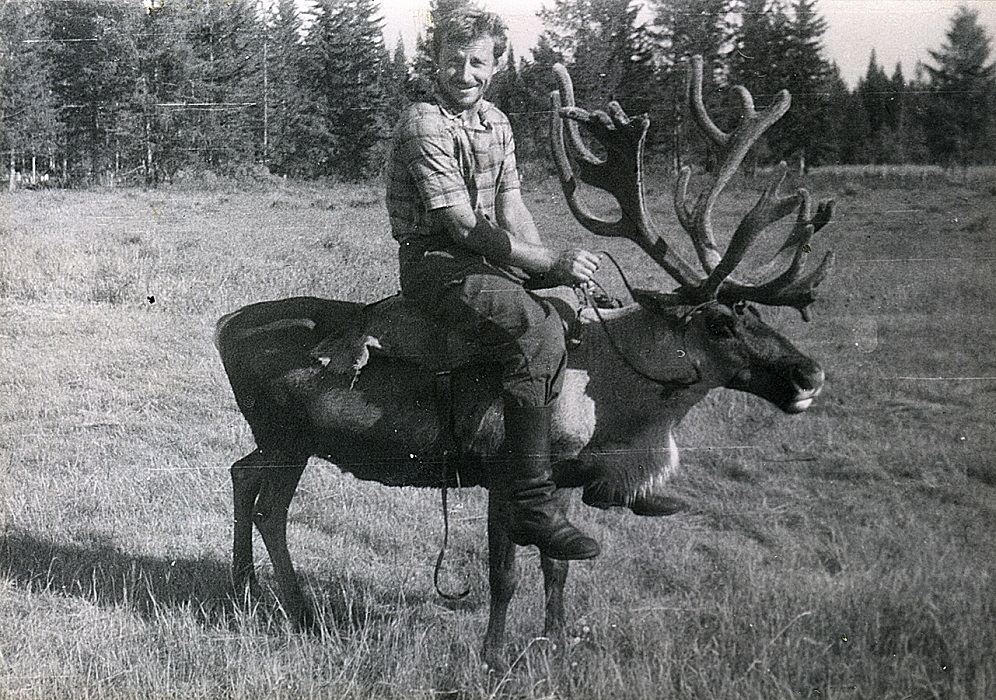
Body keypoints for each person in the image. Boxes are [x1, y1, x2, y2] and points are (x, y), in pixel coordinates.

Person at [386, 7, 600, 561]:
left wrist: (548, 266)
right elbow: (459, 223)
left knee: (568, 318)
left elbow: (511, 208)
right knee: (535, 331)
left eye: (477, 62)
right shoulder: (423, 121)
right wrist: (548, 263)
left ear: (496, 66)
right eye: (453, 60)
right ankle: (531, 504)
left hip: (486, 259)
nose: (464, 73)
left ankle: (543, 456)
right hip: (436, 262)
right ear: (434, 58)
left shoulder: (497, 123)